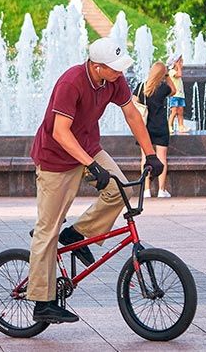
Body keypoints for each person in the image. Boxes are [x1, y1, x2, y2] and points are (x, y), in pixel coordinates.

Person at [27, 38, 163, 325]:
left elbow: (132, 114)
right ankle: (41, 302)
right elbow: (61, 133)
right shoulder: (71, 83)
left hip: (88, 148)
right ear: (97, 66)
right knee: (47, 231)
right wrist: (90, 165)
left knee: (119, 191)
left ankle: (76, 235)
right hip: (56, 158)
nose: (119, 73)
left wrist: (150, 154)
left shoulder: (113, 80)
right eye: (113, 69)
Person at [137, 61, 173, 198]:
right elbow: (174, 91)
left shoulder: (141, 87)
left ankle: (146, 190)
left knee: (145, 157)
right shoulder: (163, 88)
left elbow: (134, 102)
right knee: (162, 157)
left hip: (145, 127)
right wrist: (168, 75)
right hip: (160, 126)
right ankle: (161, 190)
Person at [167, 54, 186, 134]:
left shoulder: (176, 71)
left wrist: (178, 66)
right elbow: (179, 75)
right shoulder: (171, 72)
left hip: (181, 95)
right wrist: (178, 66)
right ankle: (169, 126)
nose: (182, 64)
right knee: (174, 111)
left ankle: (181, 126)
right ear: (175, 63)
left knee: (180, 111)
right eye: (180, 62)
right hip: (174, 95)